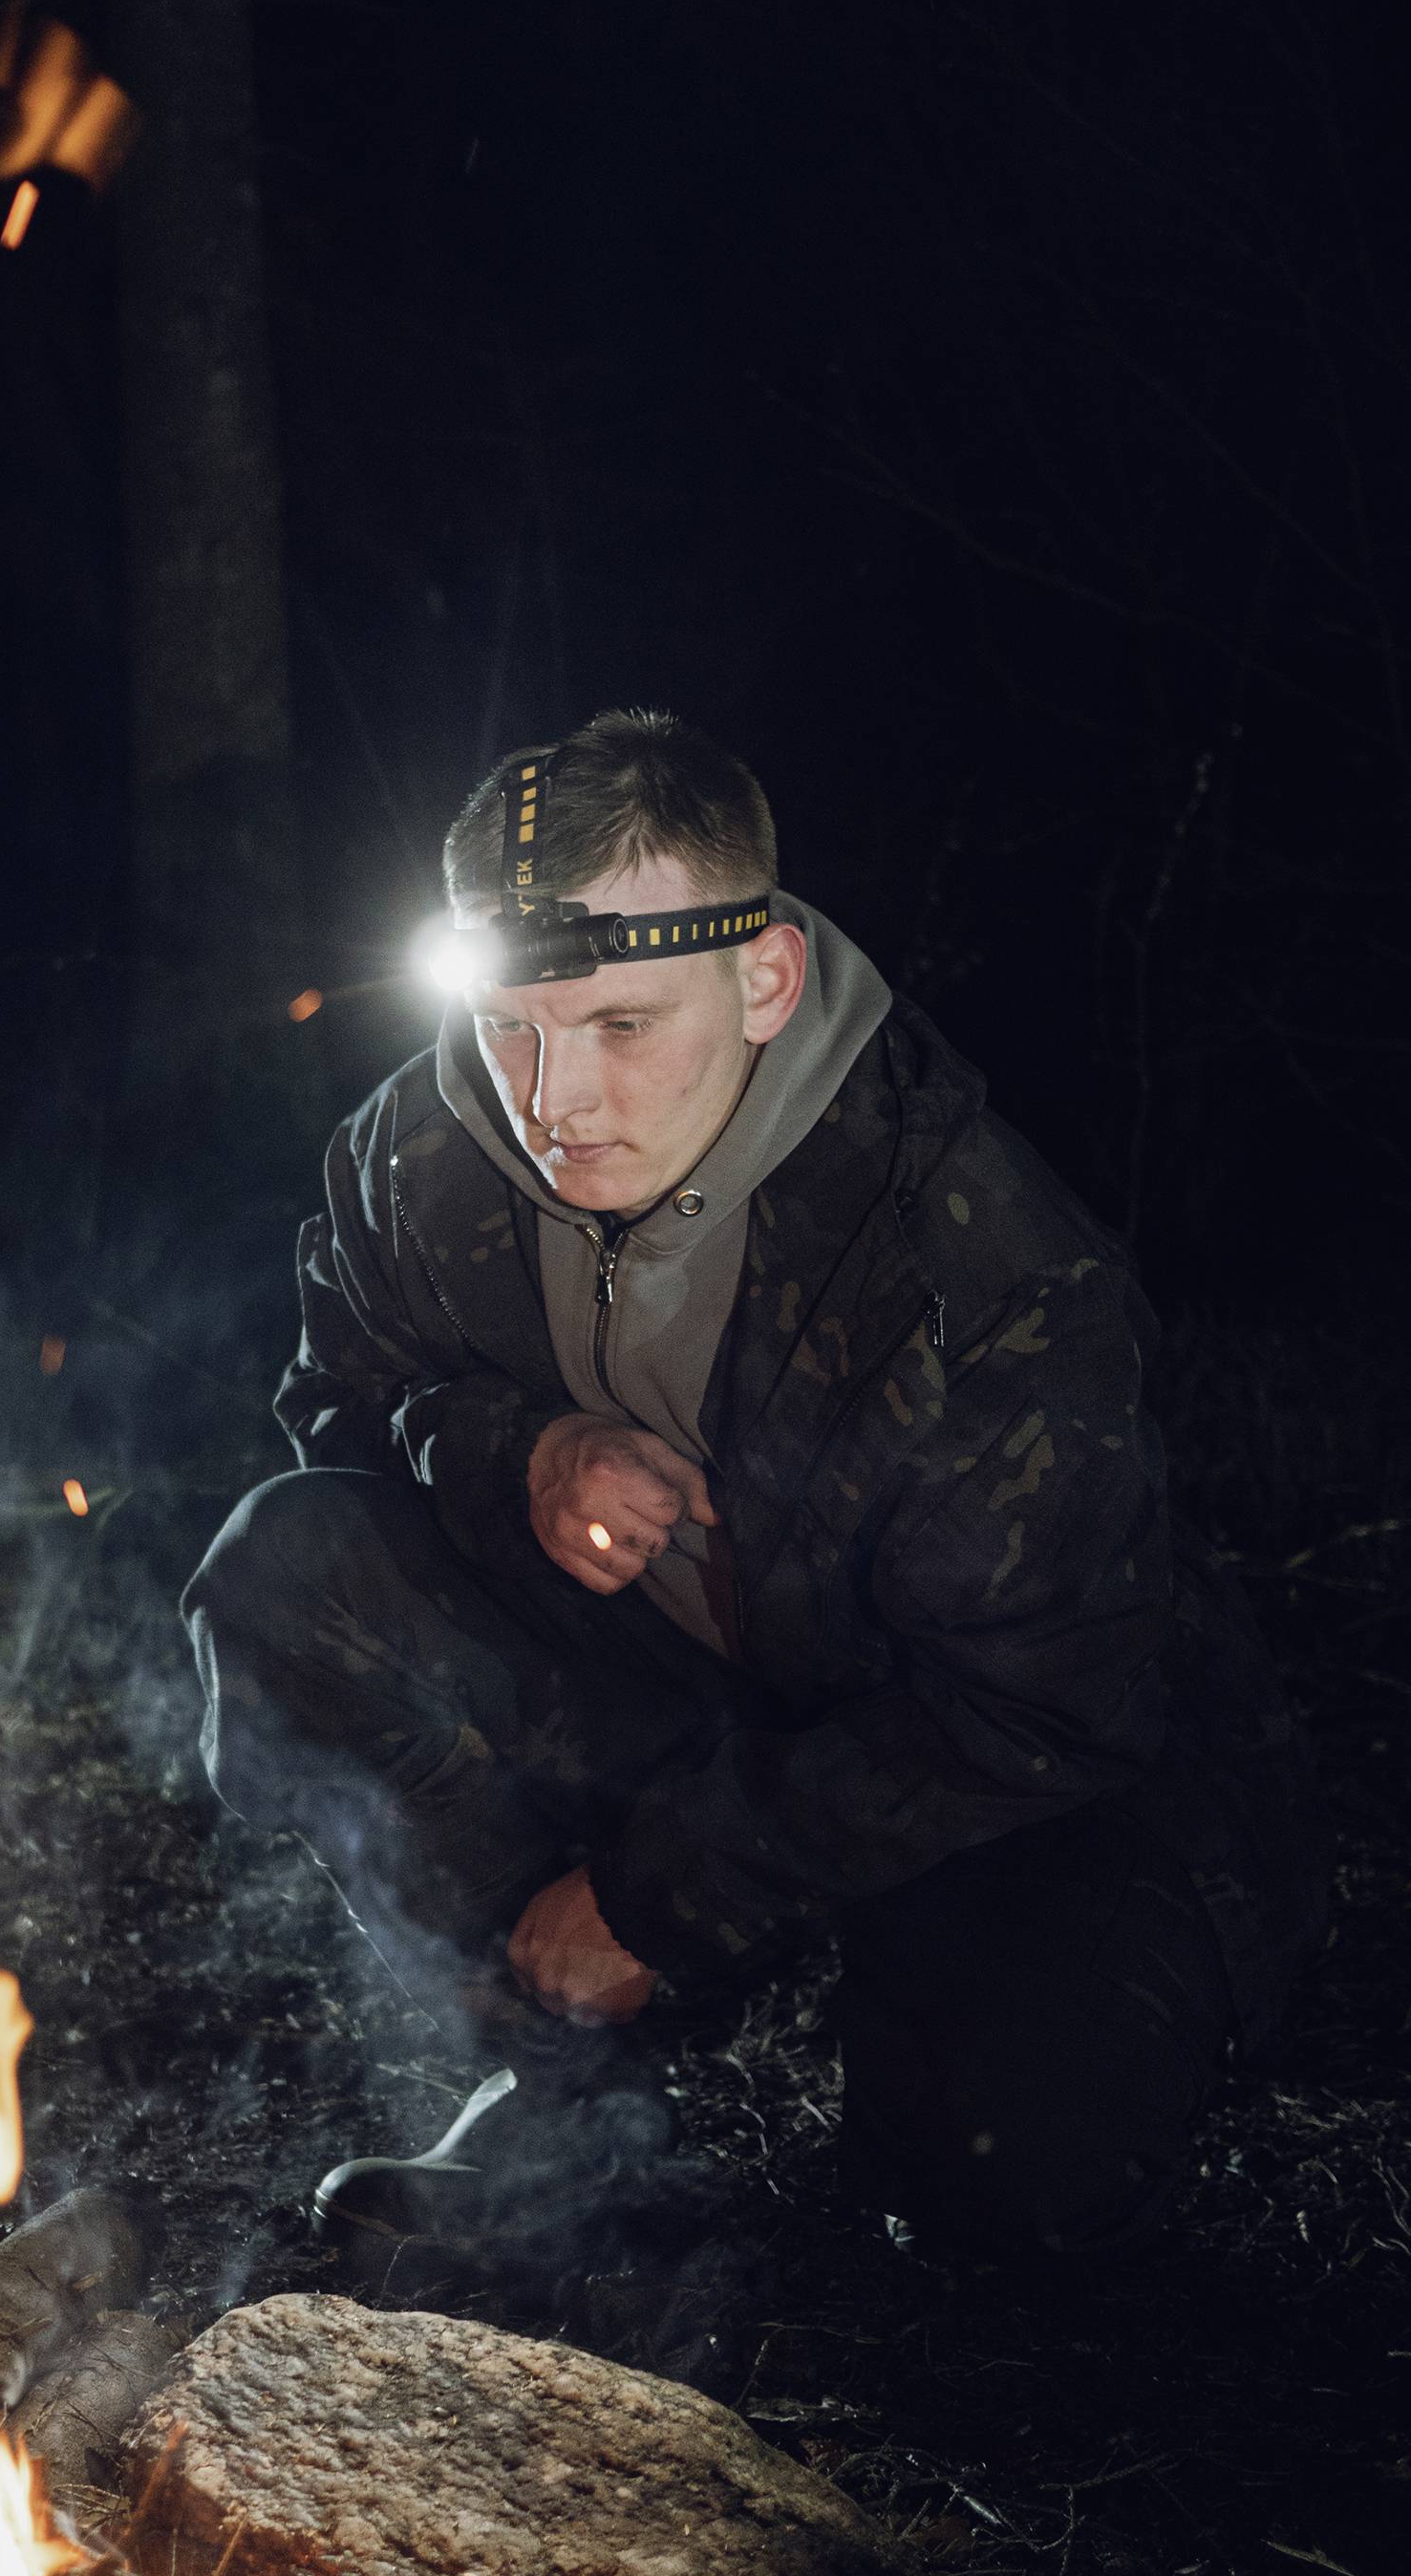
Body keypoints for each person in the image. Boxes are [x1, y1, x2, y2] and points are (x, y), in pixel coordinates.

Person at [183, 709, 1328, 2267]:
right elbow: (339, 1404)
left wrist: (661, 1895)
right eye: (509, 1026)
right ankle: (568, 2122)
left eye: (622, 1026)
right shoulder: (417, 1152)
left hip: (997, 1763)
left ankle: (881, 2022)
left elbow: (1050, 1706)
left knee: (1002, 2187)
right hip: (693, 1686)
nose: (553, 1098)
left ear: (765, 981)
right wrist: (517, 1450)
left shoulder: (967, 1257)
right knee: (291, 1572)